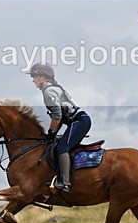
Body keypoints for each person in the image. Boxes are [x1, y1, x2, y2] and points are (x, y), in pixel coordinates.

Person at [28, 63, 91, 193]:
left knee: (62, 147)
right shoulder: (53, 88)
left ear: (41, 77)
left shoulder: (48, 91)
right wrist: (53, 133)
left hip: (79, 121)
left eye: (34, 77)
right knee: (58, 145)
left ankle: (65, 183)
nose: (33, 80)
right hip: (79, 121)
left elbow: (57, 115)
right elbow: (60, 117)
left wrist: (51, 132)